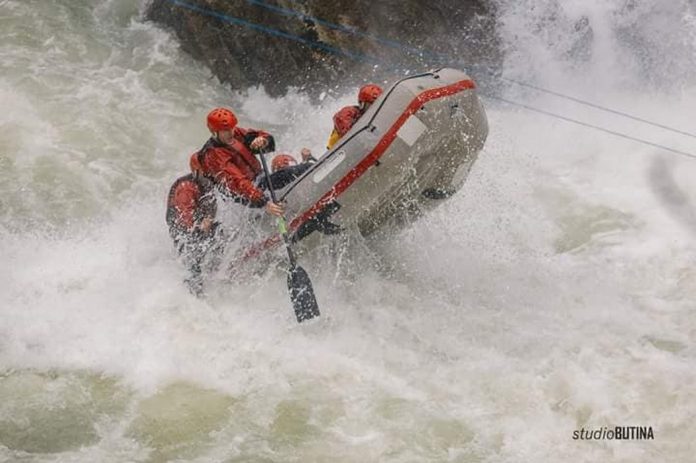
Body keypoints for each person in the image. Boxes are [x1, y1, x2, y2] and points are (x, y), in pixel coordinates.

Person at [195, 107, 284, 216]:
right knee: (282, 177)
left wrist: (263, 140)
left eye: (232, 128)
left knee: (284, 168)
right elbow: (239, 182)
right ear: (215, 132)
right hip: (241, 196)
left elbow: (261, 136)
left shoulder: (236, 133)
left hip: (258, 181)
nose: (231, 133)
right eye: (226, 131)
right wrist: (265, 202)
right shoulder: (213, 155)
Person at [166, 155, 222, 296]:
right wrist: (200, 226)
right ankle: (194, 293)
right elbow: (185, 216)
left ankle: (216, 272)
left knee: (220, 232)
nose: (211, 174)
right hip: (184, 231)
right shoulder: (187, 188)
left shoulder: (205, 183)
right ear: (197, 171)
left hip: (197, 227)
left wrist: (208, 219)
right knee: (193, 259)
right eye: (207, 170)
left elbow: (211, 206)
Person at [326, 84, 383, 150]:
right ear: (362, 104)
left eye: (376, 105)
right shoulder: (349, 112)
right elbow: (341, 121)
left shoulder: (375, 118)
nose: (373, 108)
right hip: (338, 153)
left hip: (358, 151)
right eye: (370, 105)